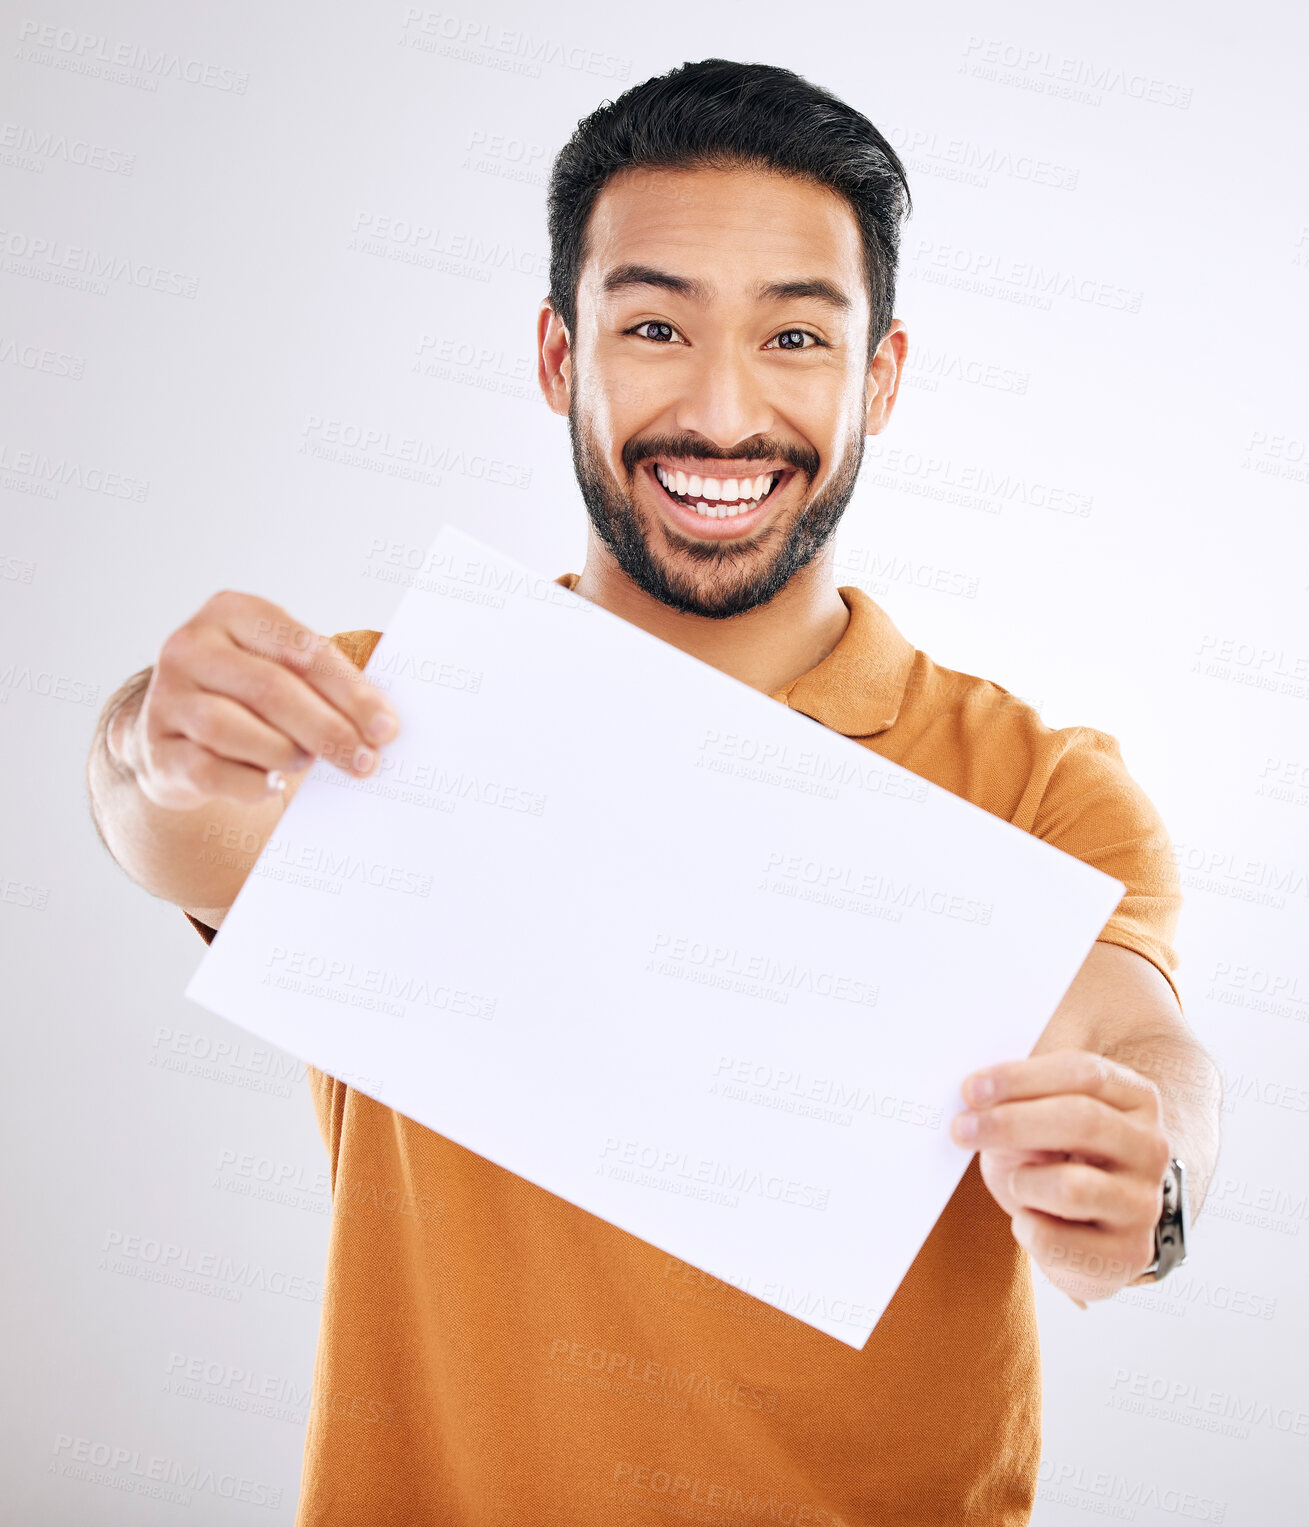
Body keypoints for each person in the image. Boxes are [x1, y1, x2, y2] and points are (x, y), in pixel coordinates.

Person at [86, 58, 1221, 1527]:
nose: (723, 410)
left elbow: (1138, 1042)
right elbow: (176, 825)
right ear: (562, 357)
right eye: (655, 326)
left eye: (795, 336)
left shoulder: (1035, 784)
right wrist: (153, 740)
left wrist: (1149, 1189)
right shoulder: (389, 711)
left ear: (877, 376)